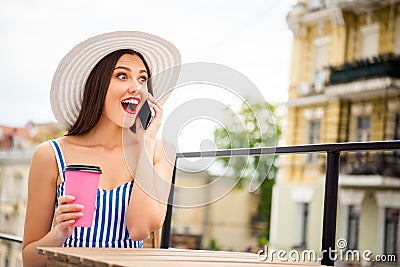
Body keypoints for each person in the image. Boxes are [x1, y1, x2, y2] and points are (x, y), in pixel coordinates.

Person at [22, 31, 181, 267]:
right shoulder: (50, 155)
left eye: (142, 79)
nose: (136, 88)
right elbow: (29, 260)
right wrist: (59, 234)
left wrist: (145, 143)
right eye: (122, 76)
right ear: (97, 85)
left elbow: (138, 230)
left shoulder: (159, 152)